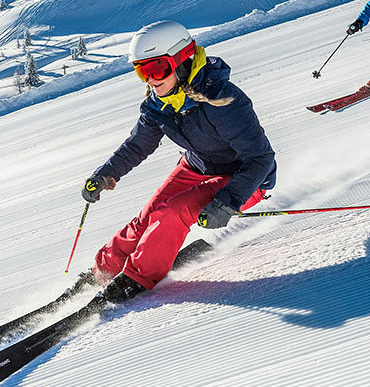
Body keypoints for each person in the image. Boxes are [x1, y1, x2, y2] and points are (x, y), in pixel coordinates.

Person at [81, 20, 277, 303]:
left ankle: (137, 278)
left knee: (172, 213)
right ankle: (104, 269)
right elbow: (138, 145)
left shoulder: (221, 98)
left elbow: (260, 158)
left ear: (181, 60)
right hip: (197, 166)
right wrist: (105, 174)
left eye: (156, 68)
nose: (150, 79)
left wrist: (228, 201)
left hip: (244, 179)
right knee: (146, 218)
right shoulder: (158, 103)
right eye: (141, 71)